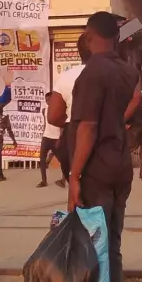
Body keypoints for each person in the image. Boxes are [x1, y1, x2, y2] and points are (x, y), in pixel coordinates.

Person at [68, 11, 142, 282]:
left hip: (97, 170)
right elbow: (129, 102)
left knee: (96, 253)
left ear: (89, 34)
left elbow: (87, 128)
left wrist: (74, 175)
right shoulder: (127, 71)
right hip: (122, 167)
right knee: (112, 250)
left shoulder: (92, 73)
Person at [48, 34, 91, 188]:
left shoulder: (66, 77)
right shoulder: (114, 72)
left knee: (76, 187)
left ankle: (75, 209)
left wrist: (70, 122)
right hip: (106, 134)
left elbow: (53, 117)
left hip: (73, 132)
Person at [38, 92, 60, 187]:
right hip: (46, 137)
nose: (48, 102)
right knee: (41, 158)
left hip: (56, 138)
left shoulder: (60, 110)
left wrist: (61, 138)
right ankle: (44, 181)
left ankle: (64, 180)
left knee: (63, 160)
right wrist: (43, 134)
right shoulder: (44, 110)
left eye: (49, 100)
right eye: (46, 100)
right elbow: (45, 124)